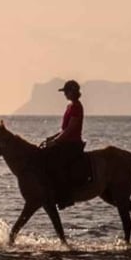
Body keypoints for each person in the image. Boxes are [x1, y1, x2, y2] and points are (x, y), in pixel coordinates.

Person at [41, 79, 86, 207]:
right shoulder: (70, 106)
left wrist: (55, 142)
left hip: (72, 144)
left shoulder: (77, 106)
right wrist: (52, 138)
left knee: (57, 163)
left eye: (66, 91)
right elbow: (64, 130)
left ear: (73, 92)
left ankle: (65, 197)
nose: (65, 94)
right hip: (66, 141)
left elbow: (71, 129)